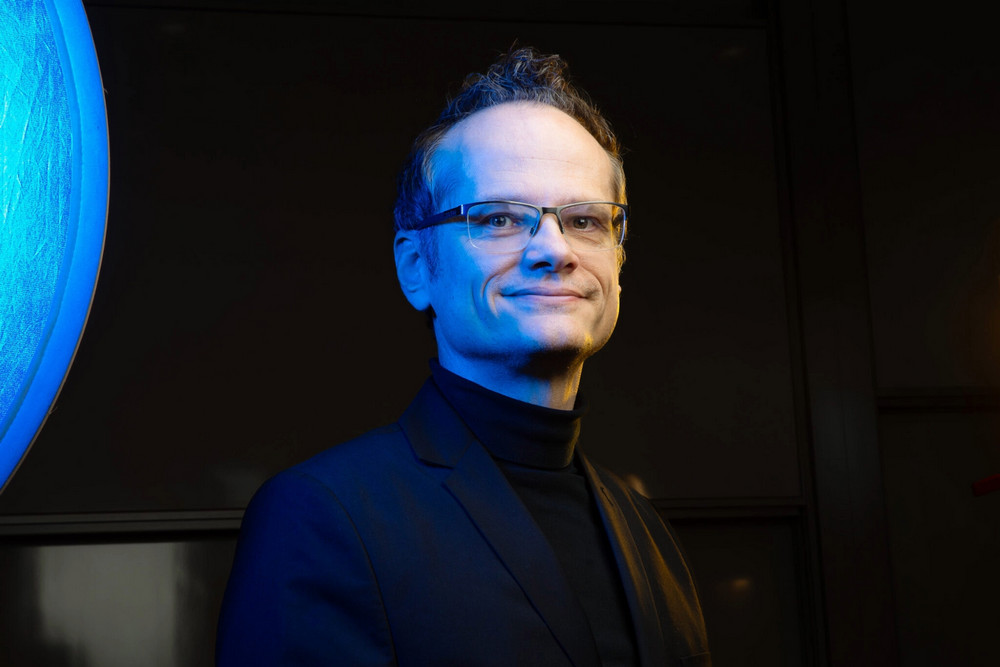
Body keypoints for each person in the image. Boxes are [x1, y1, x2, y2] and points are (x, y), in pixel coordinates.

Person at [217, 46, 711, 667]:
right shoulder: (323, 516)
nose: (553, 250)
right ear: (416, 267)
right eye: (500, 218)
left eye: (585, 220)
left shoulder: (644, 529)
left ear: (618, 262)